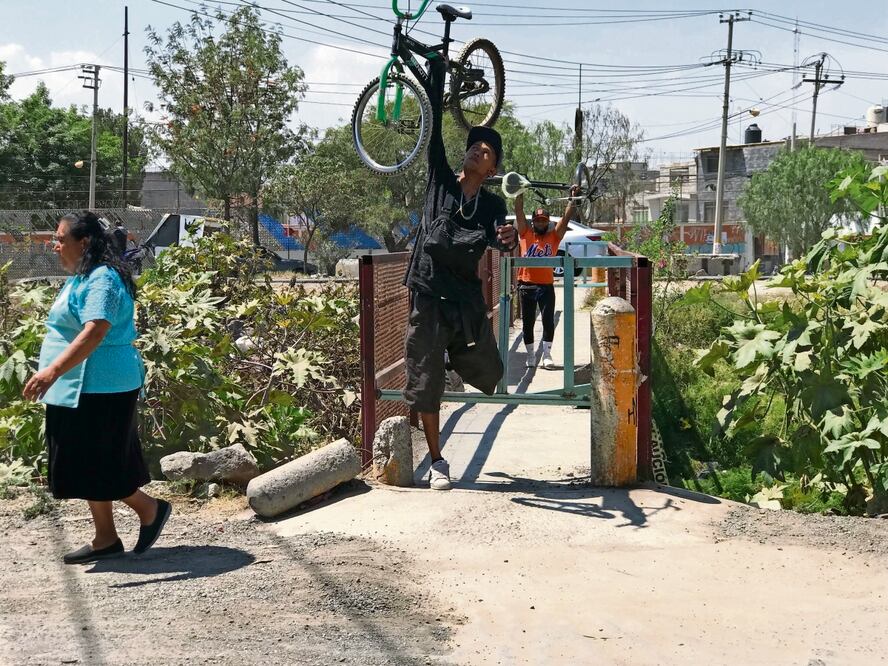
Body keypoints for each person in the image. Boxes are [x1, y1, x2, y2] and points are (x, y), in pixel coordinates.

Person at [22, 211, 171, 564]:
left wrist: (51, 372)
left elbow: (95, 330)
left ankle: (149, 508)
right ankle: (106, 537)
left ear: (83, 242)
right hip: (76, 385)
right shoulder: (82, 277)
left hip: (102, 385)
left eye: (60, 238)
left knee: (99, 459)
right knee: (83, 458)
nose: (54, 245)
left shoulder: (102, 279)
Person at [403, 58, 517, 491]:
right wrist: (433, 78)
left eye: (486, 152)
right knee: (426, 376)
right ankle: (436, 460)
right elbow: (431, 130)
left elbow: (504, 246)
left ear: (492, 170)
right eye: (474, 146)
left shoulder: (490, 206)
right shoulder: (440, 182)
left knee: (488, 368)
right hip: (429, 293)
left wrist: (508, 238)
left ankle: (463, 370)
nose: (477, 151)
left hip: (465, 300)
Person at [513, 188, 579, 368]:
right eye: (537, 220)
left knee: (548, 320)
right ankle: (531, 355)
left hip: (546, 286)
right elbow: (518, 211)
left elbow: (566, 219)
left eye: (543, 221)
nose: (540, 223)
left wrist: (571, 200)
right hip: (526, 284)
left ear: (548, 222)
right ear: (532, 222)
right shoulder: (525, 234)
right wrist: (519, 191)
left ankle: (547, 354)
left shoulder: (554, 237)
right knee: (528, 322)